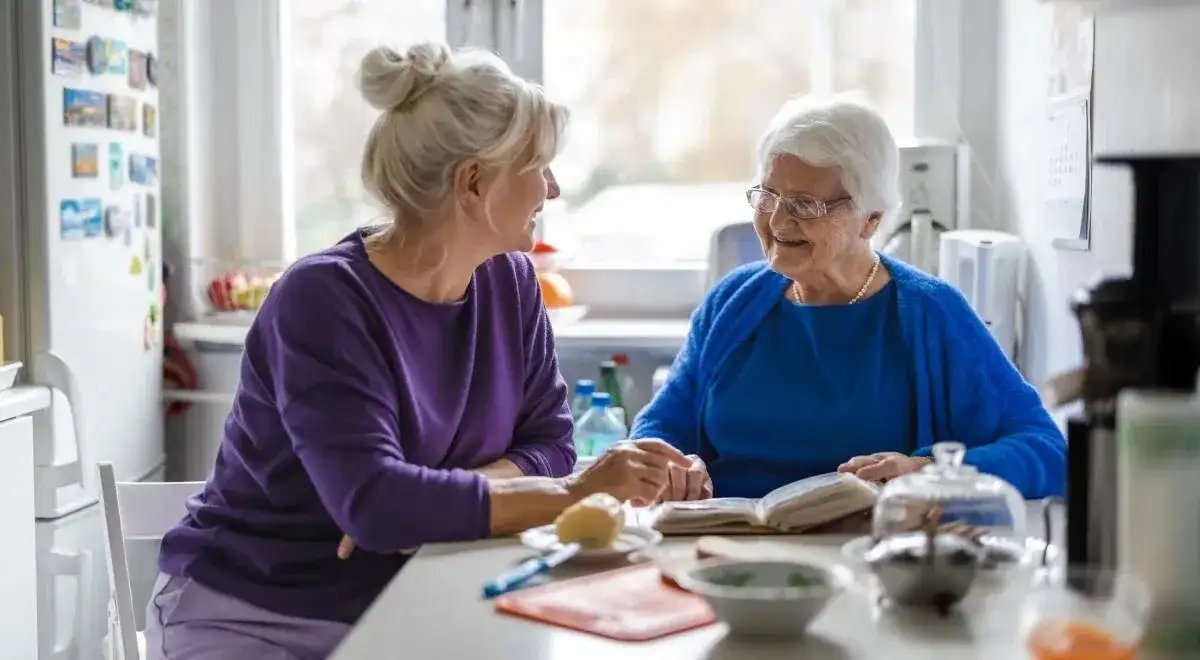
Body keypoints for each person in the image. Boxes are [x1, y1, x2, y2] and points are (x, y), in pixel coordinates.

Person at [143, 42, 688, 659]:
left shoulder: (511, 283)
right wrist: (572, 493)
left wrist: (425, 501)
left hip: (407, 599)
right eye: (538, 165)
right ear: (473, 183)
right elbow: (379, 505)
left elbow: (549, 444)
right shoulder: (323, 300)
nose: (553, 187)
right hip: (254, 614)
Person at [635, 95, 1066, 503]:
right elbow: (658, 428)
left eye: (805, 204)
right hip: (725, 542)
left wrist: (928, 473)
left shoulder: (931, 312)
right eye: (768, 196)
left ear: (870, 220)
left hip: (866, 548)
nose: (778, 220)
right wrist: (671, 467)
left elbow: (1047, 450)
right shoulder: (732, 302)